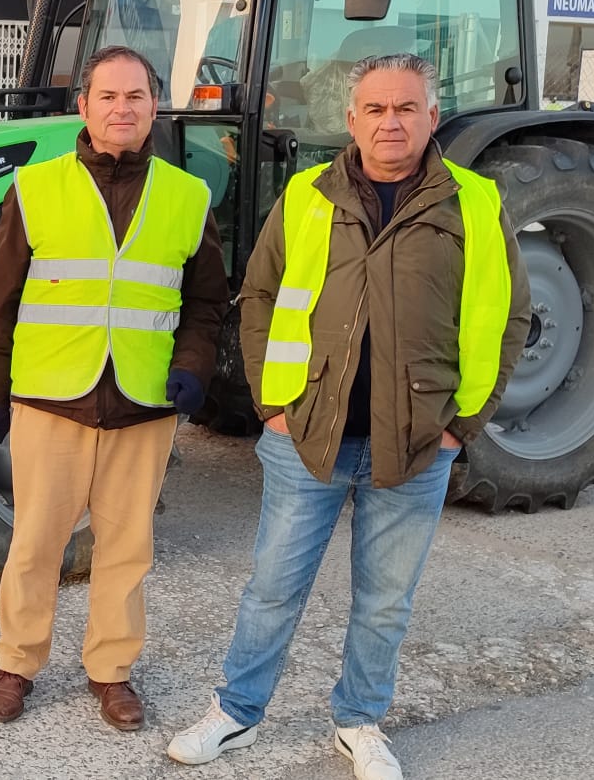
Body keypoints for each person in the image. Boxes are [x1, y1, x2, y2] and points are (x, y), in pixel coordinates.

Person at [166, 53, 530, 779]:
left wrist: (463, 425)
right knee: (273, 587)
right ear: (351, 120)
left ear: (432, 117)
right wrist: (274, 406)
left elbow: (506, 317)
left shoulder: (474, 203)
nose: (390, 121)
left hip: (417, 443)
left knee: (385, 600)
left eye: (405, 109)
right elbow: (262, 295)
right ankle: (236, 712)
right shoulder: (306, 195)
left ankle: (359, 722)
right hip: (308, 437)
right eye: (375, 109)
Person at [0, 45, 229, 731]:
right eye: (107, 97)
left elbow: (207, 305)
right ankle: (16, 665)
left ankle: (111, 671)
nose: (122, 109)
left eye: (135, 96)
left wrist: (194, 368)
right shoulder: (35, 188)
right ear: (83, 106)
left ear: (153, 106)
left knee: (127, 548)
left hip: (142, 404)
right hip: (51, 399)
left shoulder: (187, 196)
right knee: (35, 543)